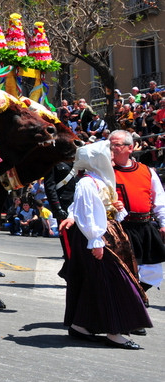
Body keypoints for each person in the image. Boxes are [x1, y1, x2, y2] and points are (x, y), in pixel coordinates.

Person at [59, 139, 151, 349]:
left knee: (96, 282)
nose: (111, 158)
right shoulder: (87, 182)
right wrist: (95, 240)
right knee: (113, 281)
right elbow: (87, 212)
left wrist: (117, 207)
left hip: (109, 233)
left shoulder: (101, 180)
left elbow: (102, 208)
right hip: (98, 237)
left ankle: (80, 325)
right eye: (107, 155)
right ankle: (114, 331)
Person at [109, 130, 165, 299]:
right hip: (120, 229)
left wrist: (163, 224)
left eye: (117, 145)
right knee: (125, 271)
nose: (112, 148)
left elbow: (160, 200)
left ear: (130, 148)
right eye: (110, 144)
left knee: (153, 271)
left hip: (145, 227)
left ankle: (135, 299)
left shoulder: (146, 171)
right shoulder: (104, 172)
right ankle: (131, 308)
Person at [45, 161, 77, 279]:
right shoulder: (55, 162)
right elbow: (50, 186)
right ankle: (71, 273)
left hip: (79, 206)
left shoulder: (79, 160)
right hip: (64, 206)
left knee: (78, 243)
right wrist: (57, 208)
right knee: (68, 243)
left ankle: (68, 270)